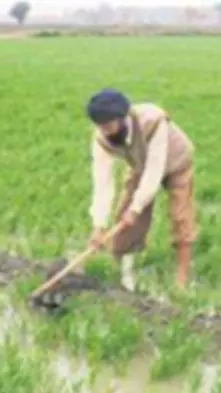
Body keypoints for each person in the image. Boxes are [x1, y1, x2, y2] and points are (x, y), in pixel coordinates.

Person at [85, 88, 197, 292]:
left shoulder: (152, 120)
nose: (104, 130)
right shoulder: (101, 139)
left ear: (122, 118)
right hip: (140, 164)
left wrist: (136, 209)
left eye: (108, 125)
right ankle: (119, 269)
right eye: (100, 126)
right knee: (124, 215)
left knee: (180, 216)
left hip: (176, 161)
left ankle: (182, 278)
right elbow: (103, 183)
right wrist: (99, 225)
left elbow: (155, 169)